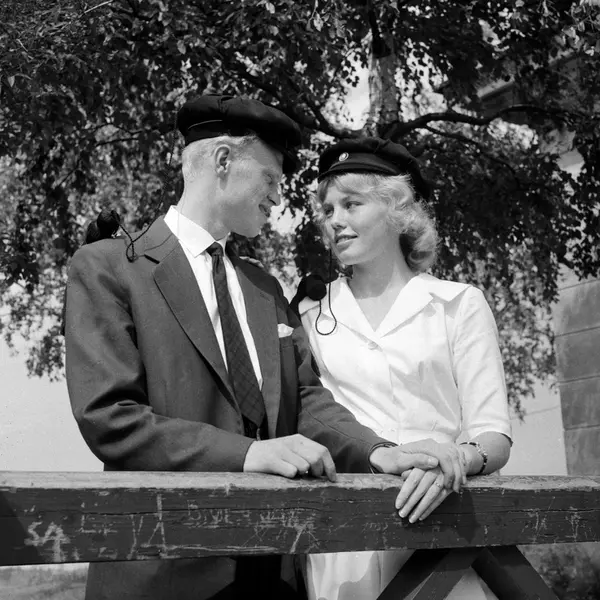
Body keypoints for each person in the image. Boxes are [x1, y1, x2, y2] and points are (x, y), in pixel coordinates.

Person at [63, 96, 467, 600]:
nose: (278, 196)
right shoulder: (108, 267)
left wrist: (379, 451)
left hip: (274, 572)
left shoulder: (264, 288)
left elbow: (306, 401)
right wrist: (249, 453)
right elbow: (111, 417)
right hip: (164, 572)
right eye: (271, 178)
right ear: (223, 161)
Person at [297, 137, 513, 600]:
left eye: (351, 204)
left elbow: (494, 435)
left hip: (443, 538)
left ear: (396, 209)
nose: (334, 220)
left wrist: (453, 461)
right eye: (328, 209)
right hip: (343, 549)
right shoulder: (311, 318)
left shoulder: (458, 304)